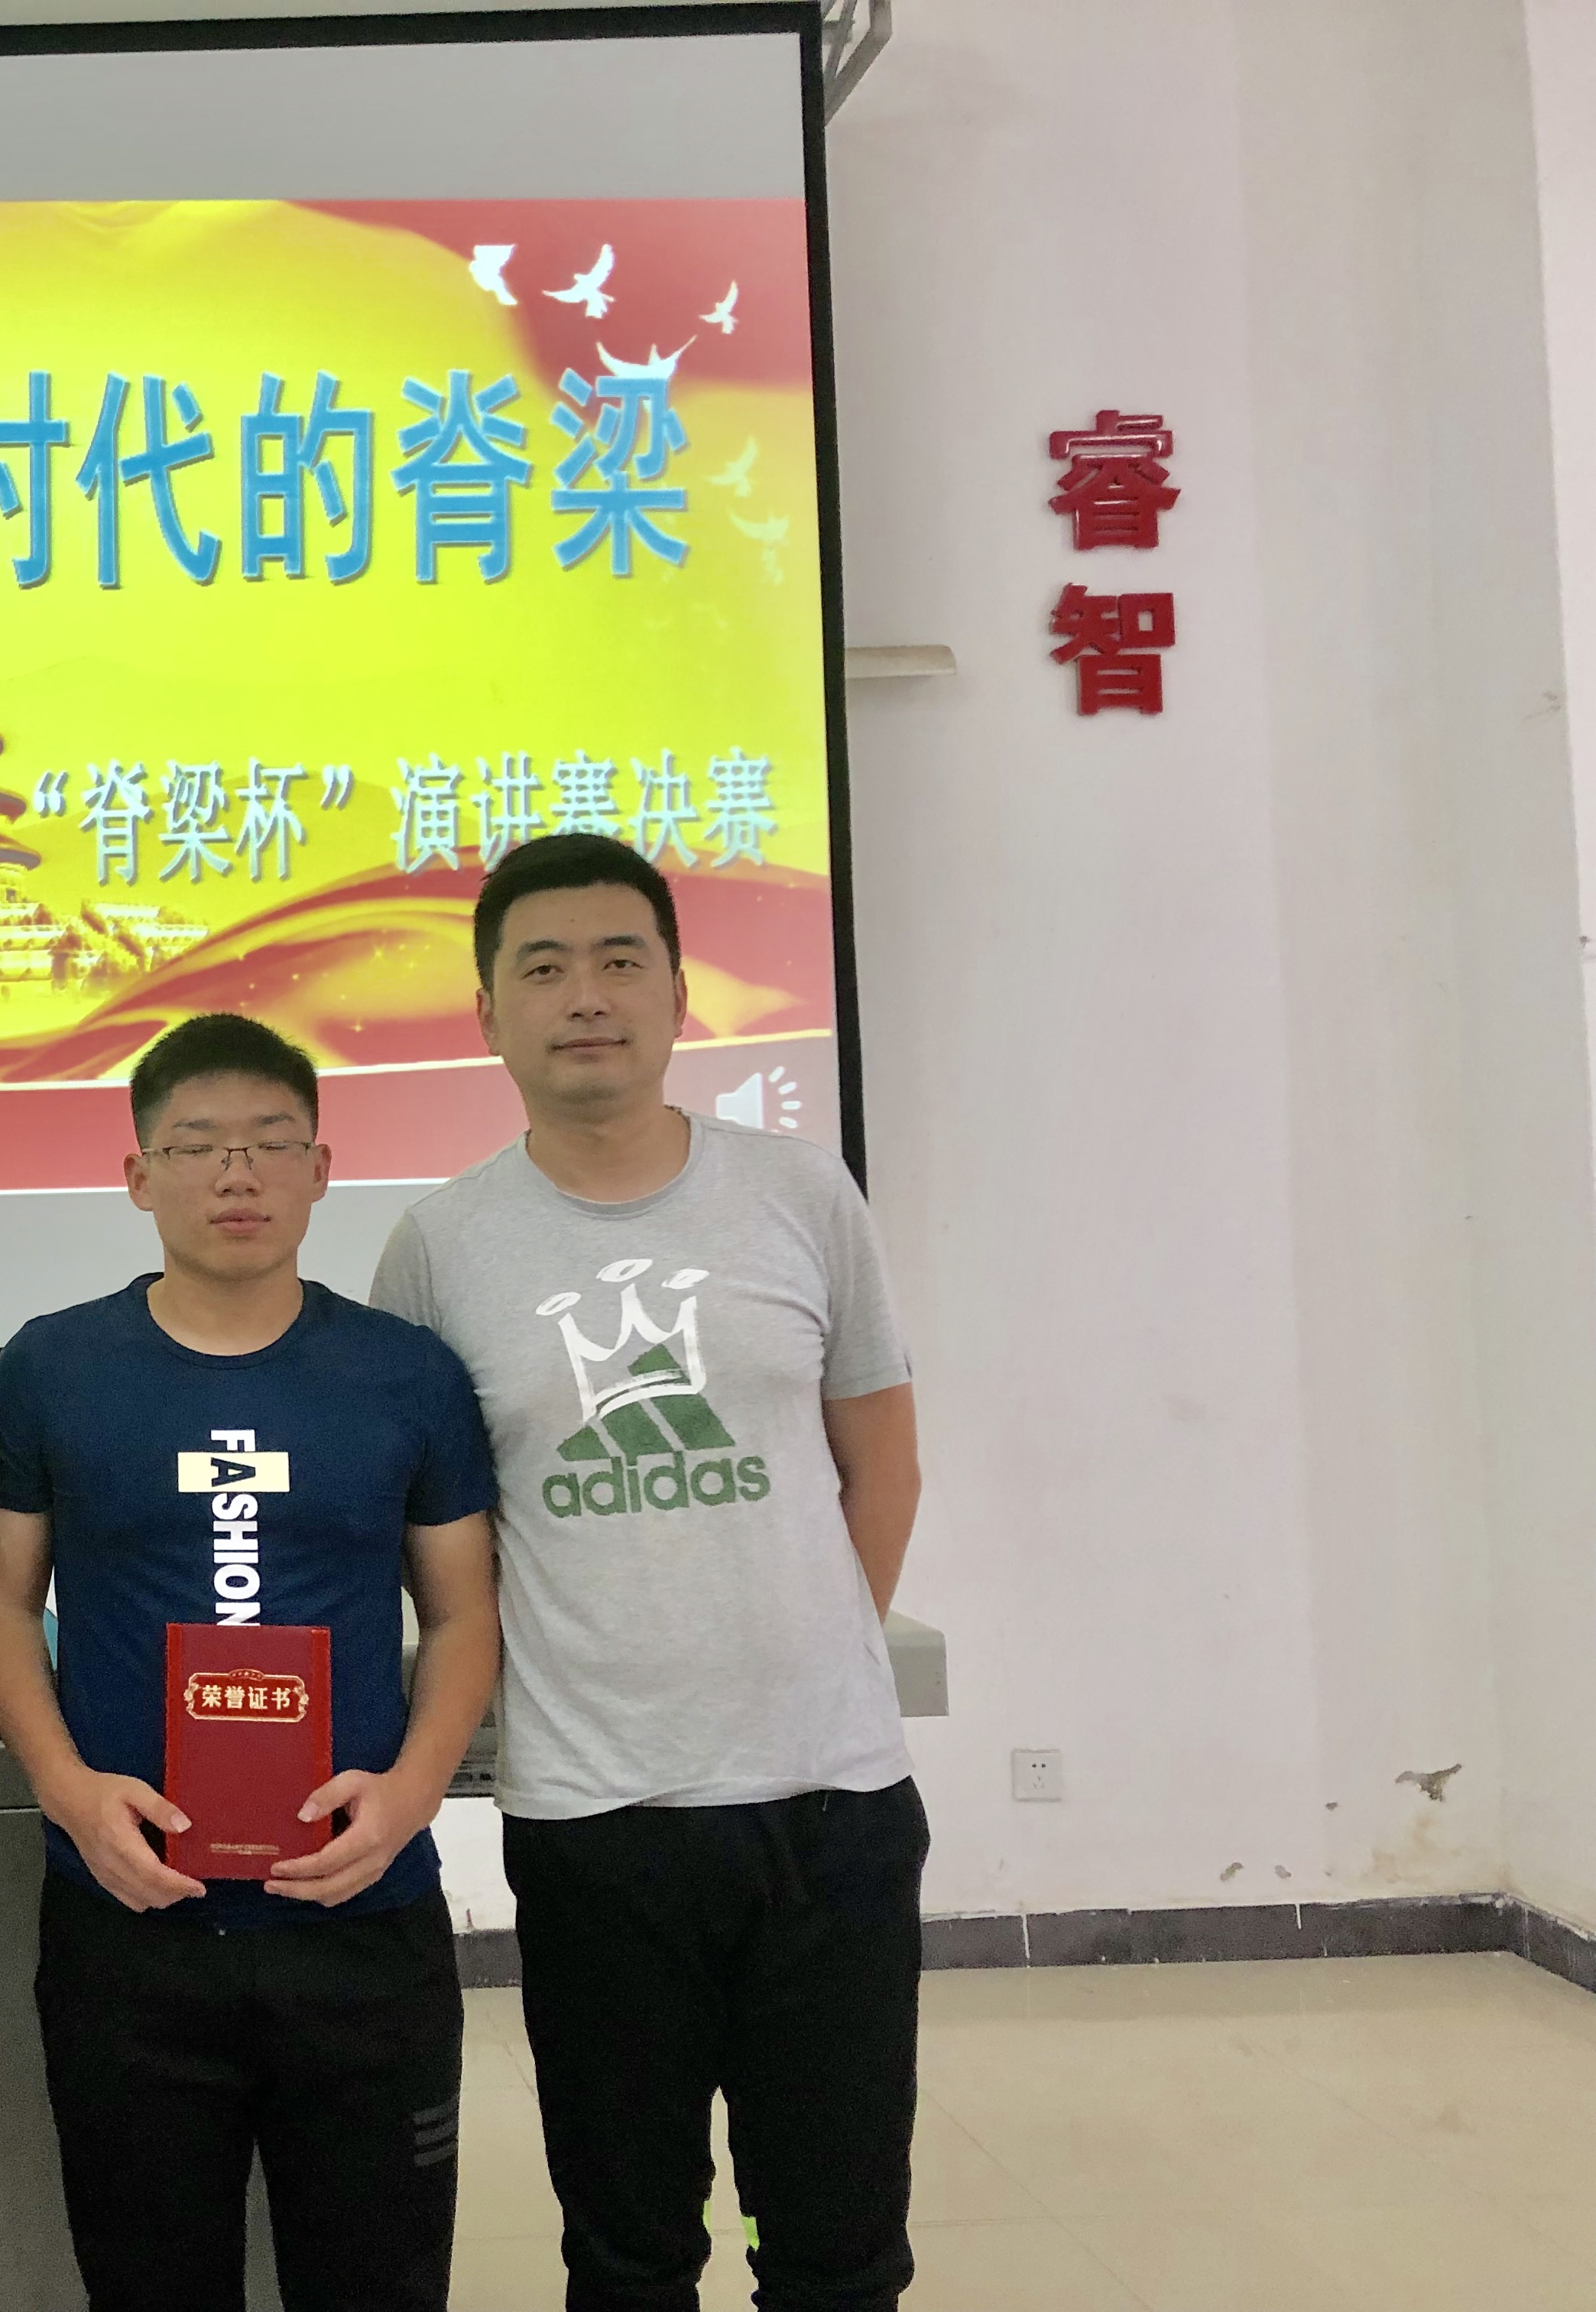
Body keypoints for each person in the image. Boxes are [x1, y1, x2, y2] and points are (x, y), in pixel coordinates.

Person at [370, 833, 926, 2312]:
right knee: (626, 2254)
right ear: (487, 1013)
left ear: (680, 996)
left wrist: (806, 1654)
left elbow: (882, 1467)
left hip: (832, 1807)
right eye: (543, 968)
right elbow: (438, 1547)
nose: (587, 997)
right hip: (593, 1819)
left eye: (622, 961)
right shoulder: (438, 1248)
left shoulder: (802, 1194)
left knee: (840, 2249)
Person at [0, 1012, 502, 2312]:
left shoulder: (405, 1374)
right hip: (130, 1920)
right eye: (197, 1146)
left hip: (361, 1920)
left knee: (378, 2284)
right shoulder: (52, 1366)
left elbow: (463, 1615)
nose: (236, 1174)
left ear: (321, 1171)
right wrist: (67, 1792)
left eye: (270, 1143)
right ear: (137, 1177)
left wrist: (413, 1797)